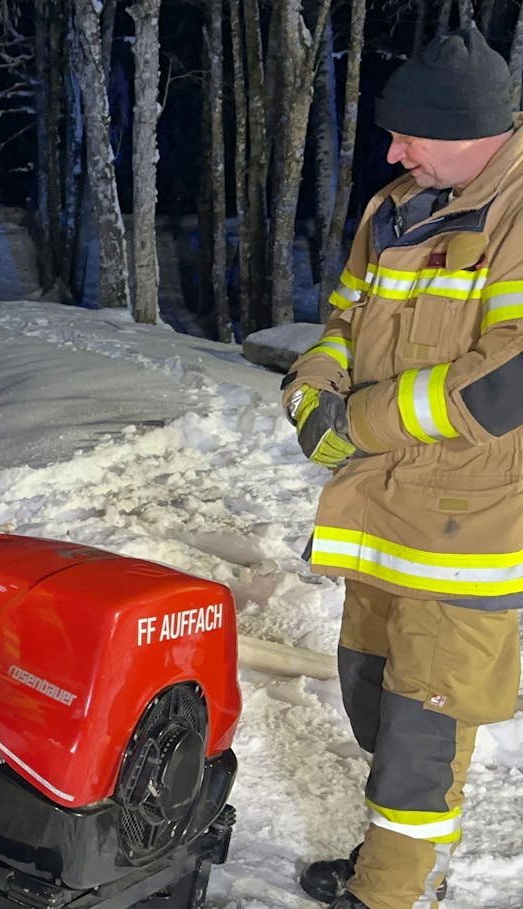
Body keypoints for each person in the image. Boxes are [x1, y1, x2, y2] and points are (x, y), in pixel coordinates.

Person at [283, 24, 523, 909]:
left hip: (468, 527)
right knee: (372, 696)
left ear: (468, 130)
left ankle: (391, 888)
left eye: (408, 135)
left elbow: (507, 378)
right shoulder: (394, 208)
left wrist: (364, 422)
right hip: (383, 508)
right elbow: (343, 320)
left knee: (423, 724)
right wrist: (314, 390)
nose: (391, 151)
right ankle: (405, 849)